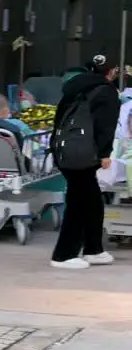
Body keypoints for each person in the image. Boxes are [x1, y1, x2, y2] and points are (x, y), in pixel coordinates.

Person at [50, 54, 120, 270]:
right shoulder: (106, 92)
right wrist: (104, 153)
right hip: (84, 153)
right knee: (80, 202)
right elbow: (104, 126)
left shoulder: (74, 88)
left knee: (90, 200)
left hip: (66, 150)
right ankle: (64, 254)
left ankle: (94, 249)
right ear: (111, 71)